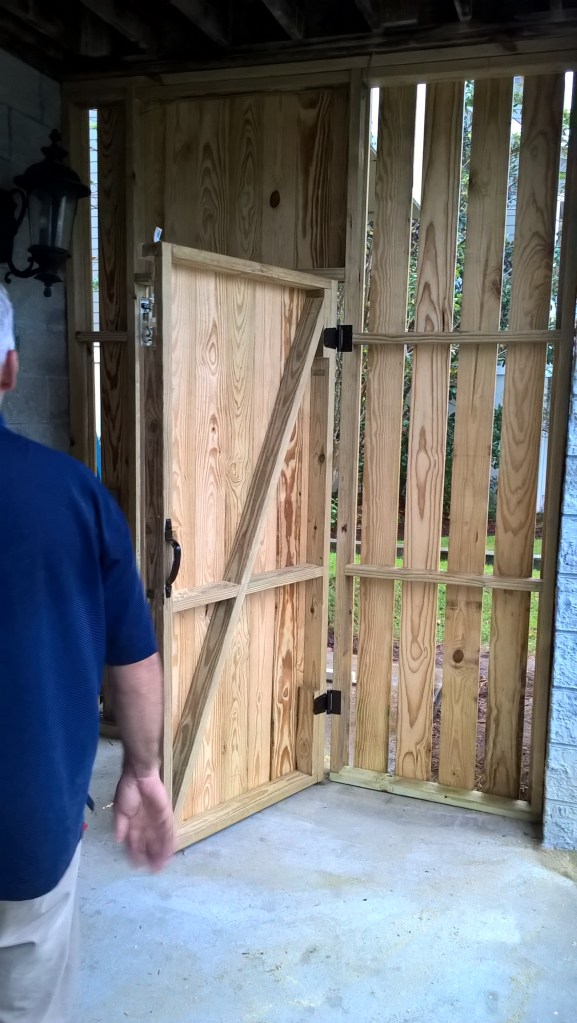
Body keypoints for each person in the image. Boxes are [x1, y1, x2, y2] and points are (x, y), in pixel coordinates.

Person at [0, 284, 173, 1023]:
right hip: (26, 841)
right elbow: (133, 661)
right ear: (10, 368)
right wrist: (143, 770)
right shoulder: (75, 496)